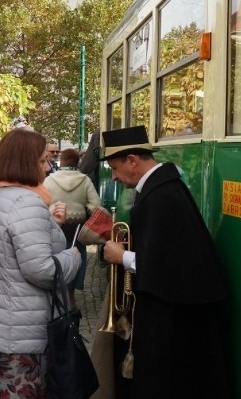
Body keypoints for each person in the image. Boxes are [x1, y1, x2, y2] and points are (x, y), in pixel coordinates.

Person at [101, 125, 230, 399]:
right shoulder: (162, 190)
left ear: (133, 160)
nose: (113, 177)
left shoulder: (161, 196)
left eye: (114, 168)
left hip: (176, 318)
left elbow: (163, 264)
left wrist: (119, 256)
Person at [0, 128, 81, 398]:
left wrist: (49, 223)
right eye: (42, 160)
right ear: (25, 162)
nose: (48, 166)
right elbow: (41, 270)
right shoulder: (26, 202)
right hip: (19, 334)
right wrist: (73, 257)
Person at [44, 147, 102, 303]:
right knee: (77, 257)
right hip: (77, 227)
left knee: (55, 256)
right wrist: (84, 210)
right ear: (78, 162)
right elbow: (96, 205)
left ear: (61, 161)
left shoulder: (50, 179)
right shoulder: (84, 180)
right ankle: (70, 294)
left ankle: (56, 290)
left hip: (55, 225)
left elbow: (42, 202)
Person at [79, 128, 102, 192]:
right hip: (91, 170)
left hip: (92, 169)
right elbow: (96, 151)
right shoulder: (99, 131)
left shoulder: (99, 131)